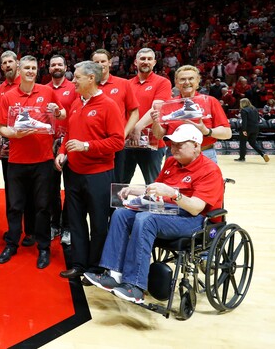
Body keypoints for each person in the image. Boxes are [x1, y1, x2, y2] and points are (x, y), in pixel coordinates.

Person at [84, 124, 224, 304]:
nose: (174, 148)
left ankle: (135, 286)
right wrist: (136, 190)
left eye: (180, 145)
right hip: (165, 212)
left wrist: (173, 193)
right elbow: (154, 190)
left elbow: (196, 207)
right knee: (121, 214)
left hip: (195, 219)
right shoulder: (171, 162)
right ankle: (114, 273)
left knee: (146, 219)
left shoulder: (210, 170)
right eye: (172, 144)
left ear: (196, 146)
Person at [55, 61, 125, 280]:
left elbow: (117, 142)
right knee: (75, 221)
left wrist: (87, 146)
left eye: (77, 77)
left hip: (98, 174)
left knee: (98, 223)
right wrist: (63, 151)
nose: (73, 81)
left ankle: (95, 269)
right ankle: (78, 265)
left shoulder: (109, 105)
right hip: (74, 172)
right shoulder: (76, 103)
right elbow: (68, 132)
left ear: (91, 79)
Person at [0, 55, 66, 269]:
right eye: (26, 67)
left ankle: (43, 247)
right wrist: (15, 135)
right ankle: (12, 243)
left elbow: (62, 115)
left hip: (43, 160)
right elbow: (2, 128)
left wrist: (58, 111)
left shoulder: (47, 92)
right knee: (15, 206)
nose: (30, 71)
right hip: (17, 161)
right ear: (19, 69)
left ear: (37, 69)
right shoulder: (8, 96)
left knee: (42, 207)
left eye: (33, 68)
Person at [0, 51, 36, 246]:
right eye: (4, 63)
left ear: (17, 65)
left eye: (11, 61)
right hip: (9, 150)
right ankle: (14, 232)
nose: (8, 65)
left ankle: (30, 231)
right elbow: (0, 123)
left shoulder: (31, 84)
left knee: (31, 195)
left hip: (33, 150)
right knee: (13, 194)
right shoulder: (0, 91)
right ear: (2, 67)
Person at [151, 65, 231, 164]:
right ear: (176, 83)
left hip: (205, 153)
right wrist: (155, 122)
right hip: (175, 155)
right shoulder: (167, 104)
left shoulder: (210, 101)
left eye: (191, 79)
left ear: (197, 81)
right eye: (182, 79)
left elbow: (227, 133)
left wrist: (206, 131)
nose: (187, 82)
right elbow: (159, 135)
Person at [123, 48, 172, 184]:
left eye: (149, 59)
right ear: (135, 62)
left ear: (154, 62)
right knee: (119, 184)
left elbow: (157, 108)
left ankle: (154, 205)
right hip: (128, 143)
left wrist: (136, 128)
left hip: (152, 143)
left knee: (153, 185)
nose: (146, 62)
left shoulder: (163, 82)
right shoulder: (126, 84)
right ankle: (117, 206)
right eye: (142, 59)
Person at [92, 49, 139, 183]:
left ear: (110, 62)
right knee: (97, 182)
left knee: (117, 181)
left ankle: (116, 205)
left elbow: (134, 113)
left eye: (103, 61)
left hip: (117, 143)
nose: (100, 64)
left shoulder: (123, 83)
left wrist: (123, 134)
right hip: (95, 142)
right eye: (96, 62)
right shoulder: (87, 85)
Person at [46, 55, 77, 244]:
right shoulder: (43, 89)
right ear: (49, 68)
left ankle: (67, 227)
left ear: (66, 67)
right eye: (53, 64)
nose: (56, 67)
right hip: (48, 145)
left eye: (60, 64)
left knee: (71, 189)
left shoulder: (75, 88)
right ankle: (54, 224)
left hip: (71, 143)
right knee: (51, 189)